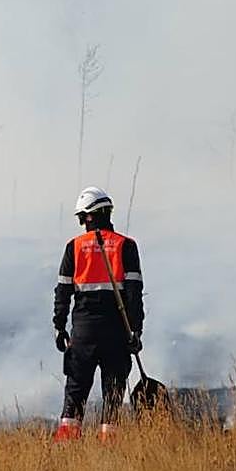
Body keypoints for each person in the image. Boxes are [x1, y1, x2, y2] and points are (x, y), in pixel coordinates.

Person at [52, 187, 144, 442]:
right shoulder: (127, 246)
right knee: (113, 392)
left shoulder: (74, 247)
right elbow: (134, 294)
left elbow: (62, 292)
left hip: (83, 333)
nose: (82, 223)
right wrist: (136, 331)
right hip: (117, 332)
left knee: (75, 392)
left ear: (89, 217)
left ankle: (66, 448)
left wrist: (60, 328)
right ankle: (108, 449)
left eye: (82, 218)